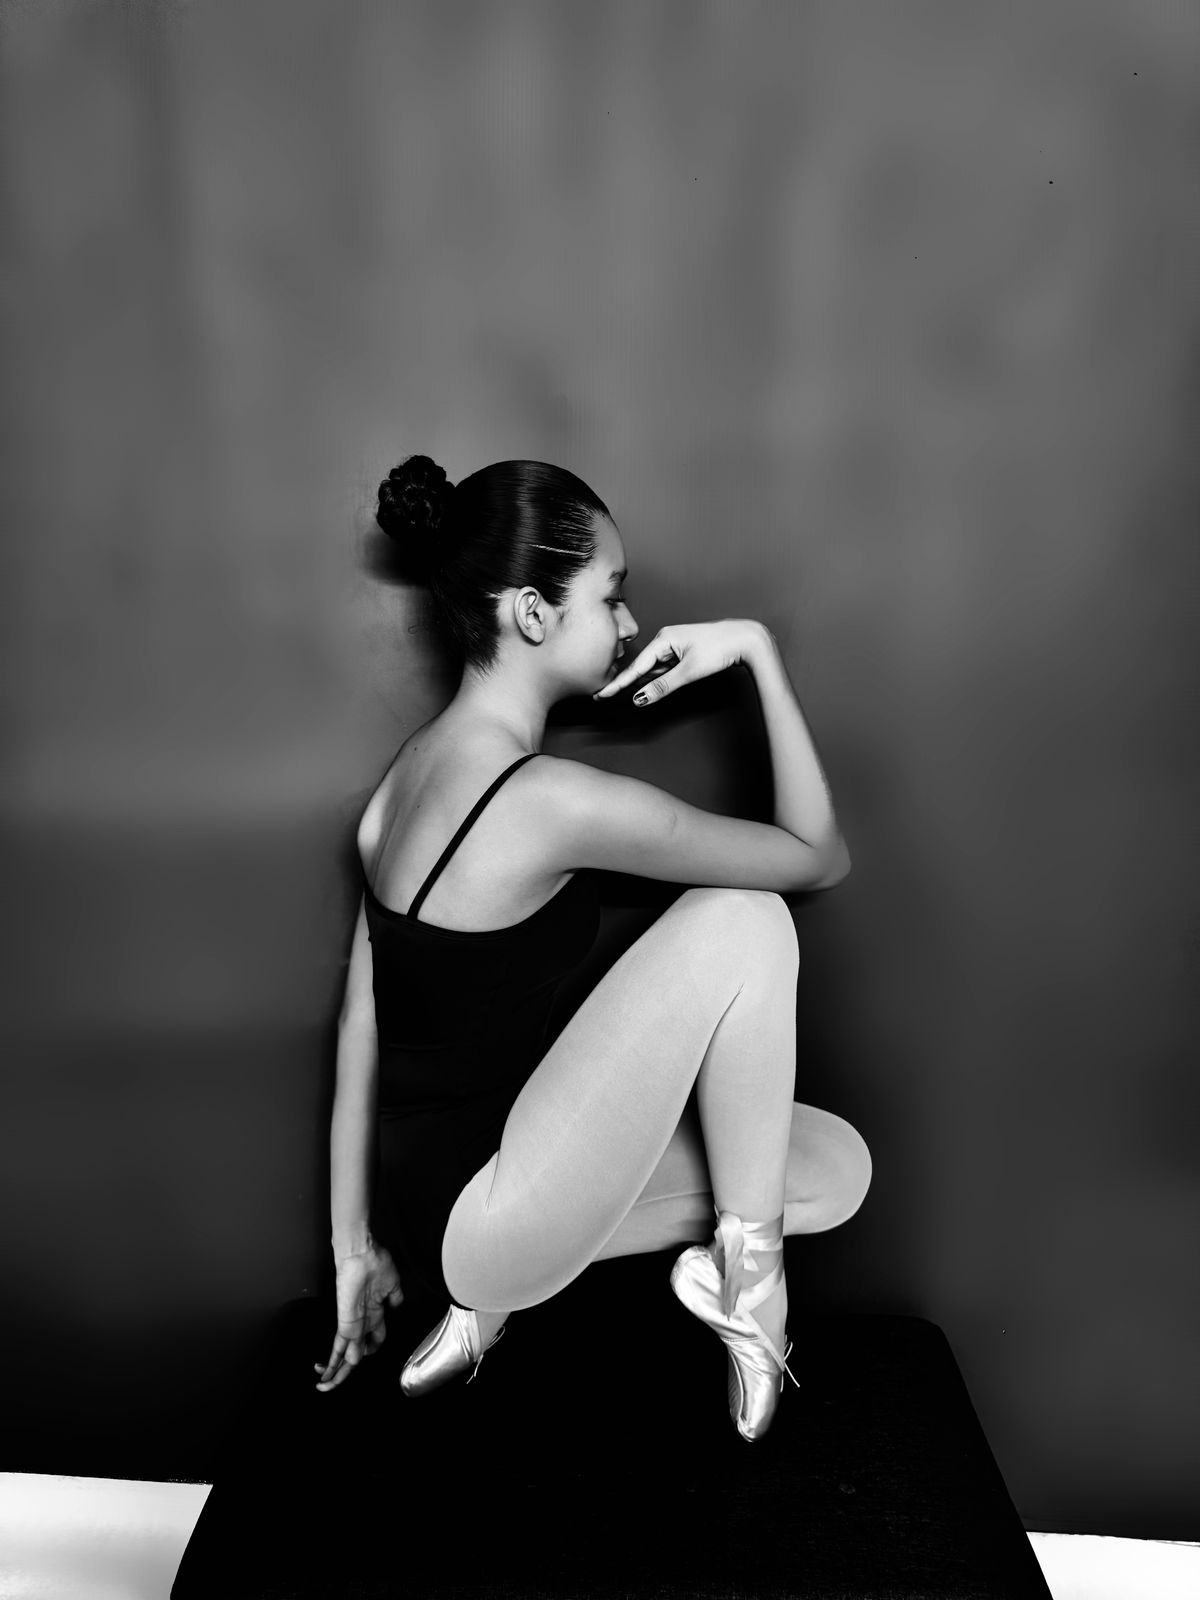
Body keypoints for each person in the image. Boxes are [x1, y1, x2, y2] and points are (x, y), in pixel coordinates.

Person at [313, 455, 870, 1442]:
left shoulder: (398, 787)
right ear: (533, 613)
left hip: (440, 1214)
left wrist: (354, 1248)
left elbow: (363, 1023)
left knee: (830, 1170)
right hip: (492, 1212)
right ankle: (751, 1294)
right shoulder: (549, 804)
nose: (628, 622)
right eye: (611, 596)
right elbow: (815, 854)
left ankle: (484, 1307)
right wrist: (754, 649)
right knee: (748, 915)